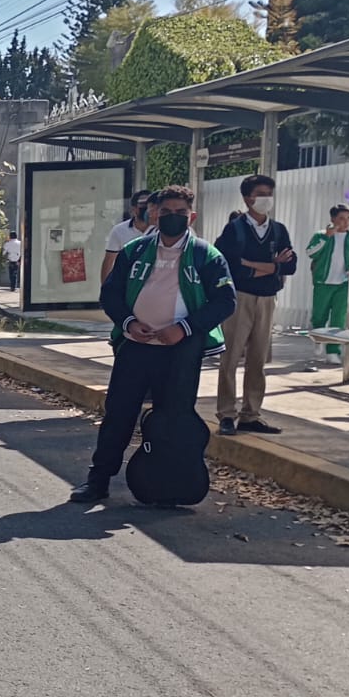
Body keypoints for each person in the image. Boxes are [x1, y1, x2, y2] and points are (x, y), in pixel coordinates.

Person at [70, 185, 236, 503]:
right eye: (166, 212)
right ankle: (98, 480)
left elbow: (225, 302)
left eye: (180, 213)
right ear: (153, 214)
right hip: (136, 346)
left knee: (173, 418)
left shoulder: (206, 255)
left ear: (192, 216)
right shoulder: (134, 251)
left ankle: (167, 485)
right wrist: (129, 323)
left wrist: (185, 328)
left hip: (181, 351)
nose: (173, 218)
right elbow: (111, 294)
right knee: (119, 413)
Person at [214, 173, 297, 436]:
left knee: (258, 358)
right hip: (240, 299)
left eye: (269, 194)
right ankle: (227, 413)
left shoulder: (279, 229)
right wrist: (272, 266)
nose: (266, 199)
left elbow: (290, 265)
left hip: (267, 299)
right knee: (230, 357)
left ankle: (251, 413)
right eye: (260, 194)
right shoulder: (235, 229)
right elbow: (231, 266)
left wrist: (255, 264)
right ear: (248, 198)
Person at [305, 204, 349, 371]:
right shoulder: (321, 235)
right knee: (319, 316)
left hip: (343, 283)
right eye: (341, 218)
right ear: (333, 219)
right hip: (323, 283)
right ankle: (318, 339)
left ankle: (333, 351)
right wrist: (326, 237)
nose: (345, 222)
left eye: (348, 218)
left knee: (338, 318)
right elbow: (311, 253)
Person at [101, 190, 151, 282]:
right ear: (134, 209)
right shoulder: (119, 231)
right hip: (127, 283)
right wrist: (106, 290)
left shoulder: (160, 230)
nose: (147, 209)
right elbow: (109, 261)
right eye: (143, 205)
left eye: (150, 206)